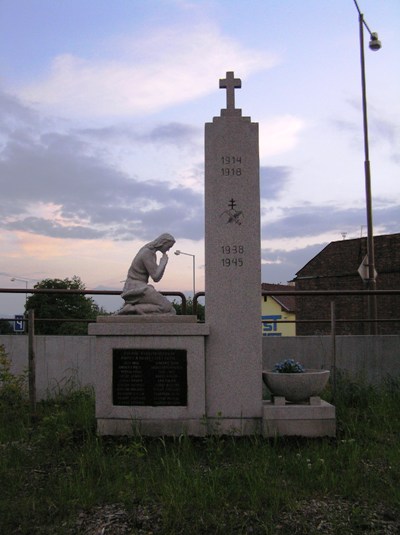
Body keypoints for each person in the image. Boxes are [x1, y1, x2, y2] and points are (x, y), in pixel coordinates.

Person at [117, 233, 176, 315]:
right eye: (169, 247)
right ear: (163, 243)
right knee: (166, 307)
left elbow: (156, 276)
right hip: (137, 289)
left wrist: (162, 264)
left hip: (138, 286)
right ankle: (132, 308)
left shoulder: (148, 251)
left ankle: (133, 308)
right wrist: (163, 263)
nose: (168, 250)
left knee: (171, 310)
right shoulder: (147, 253)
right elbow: (156, 277)